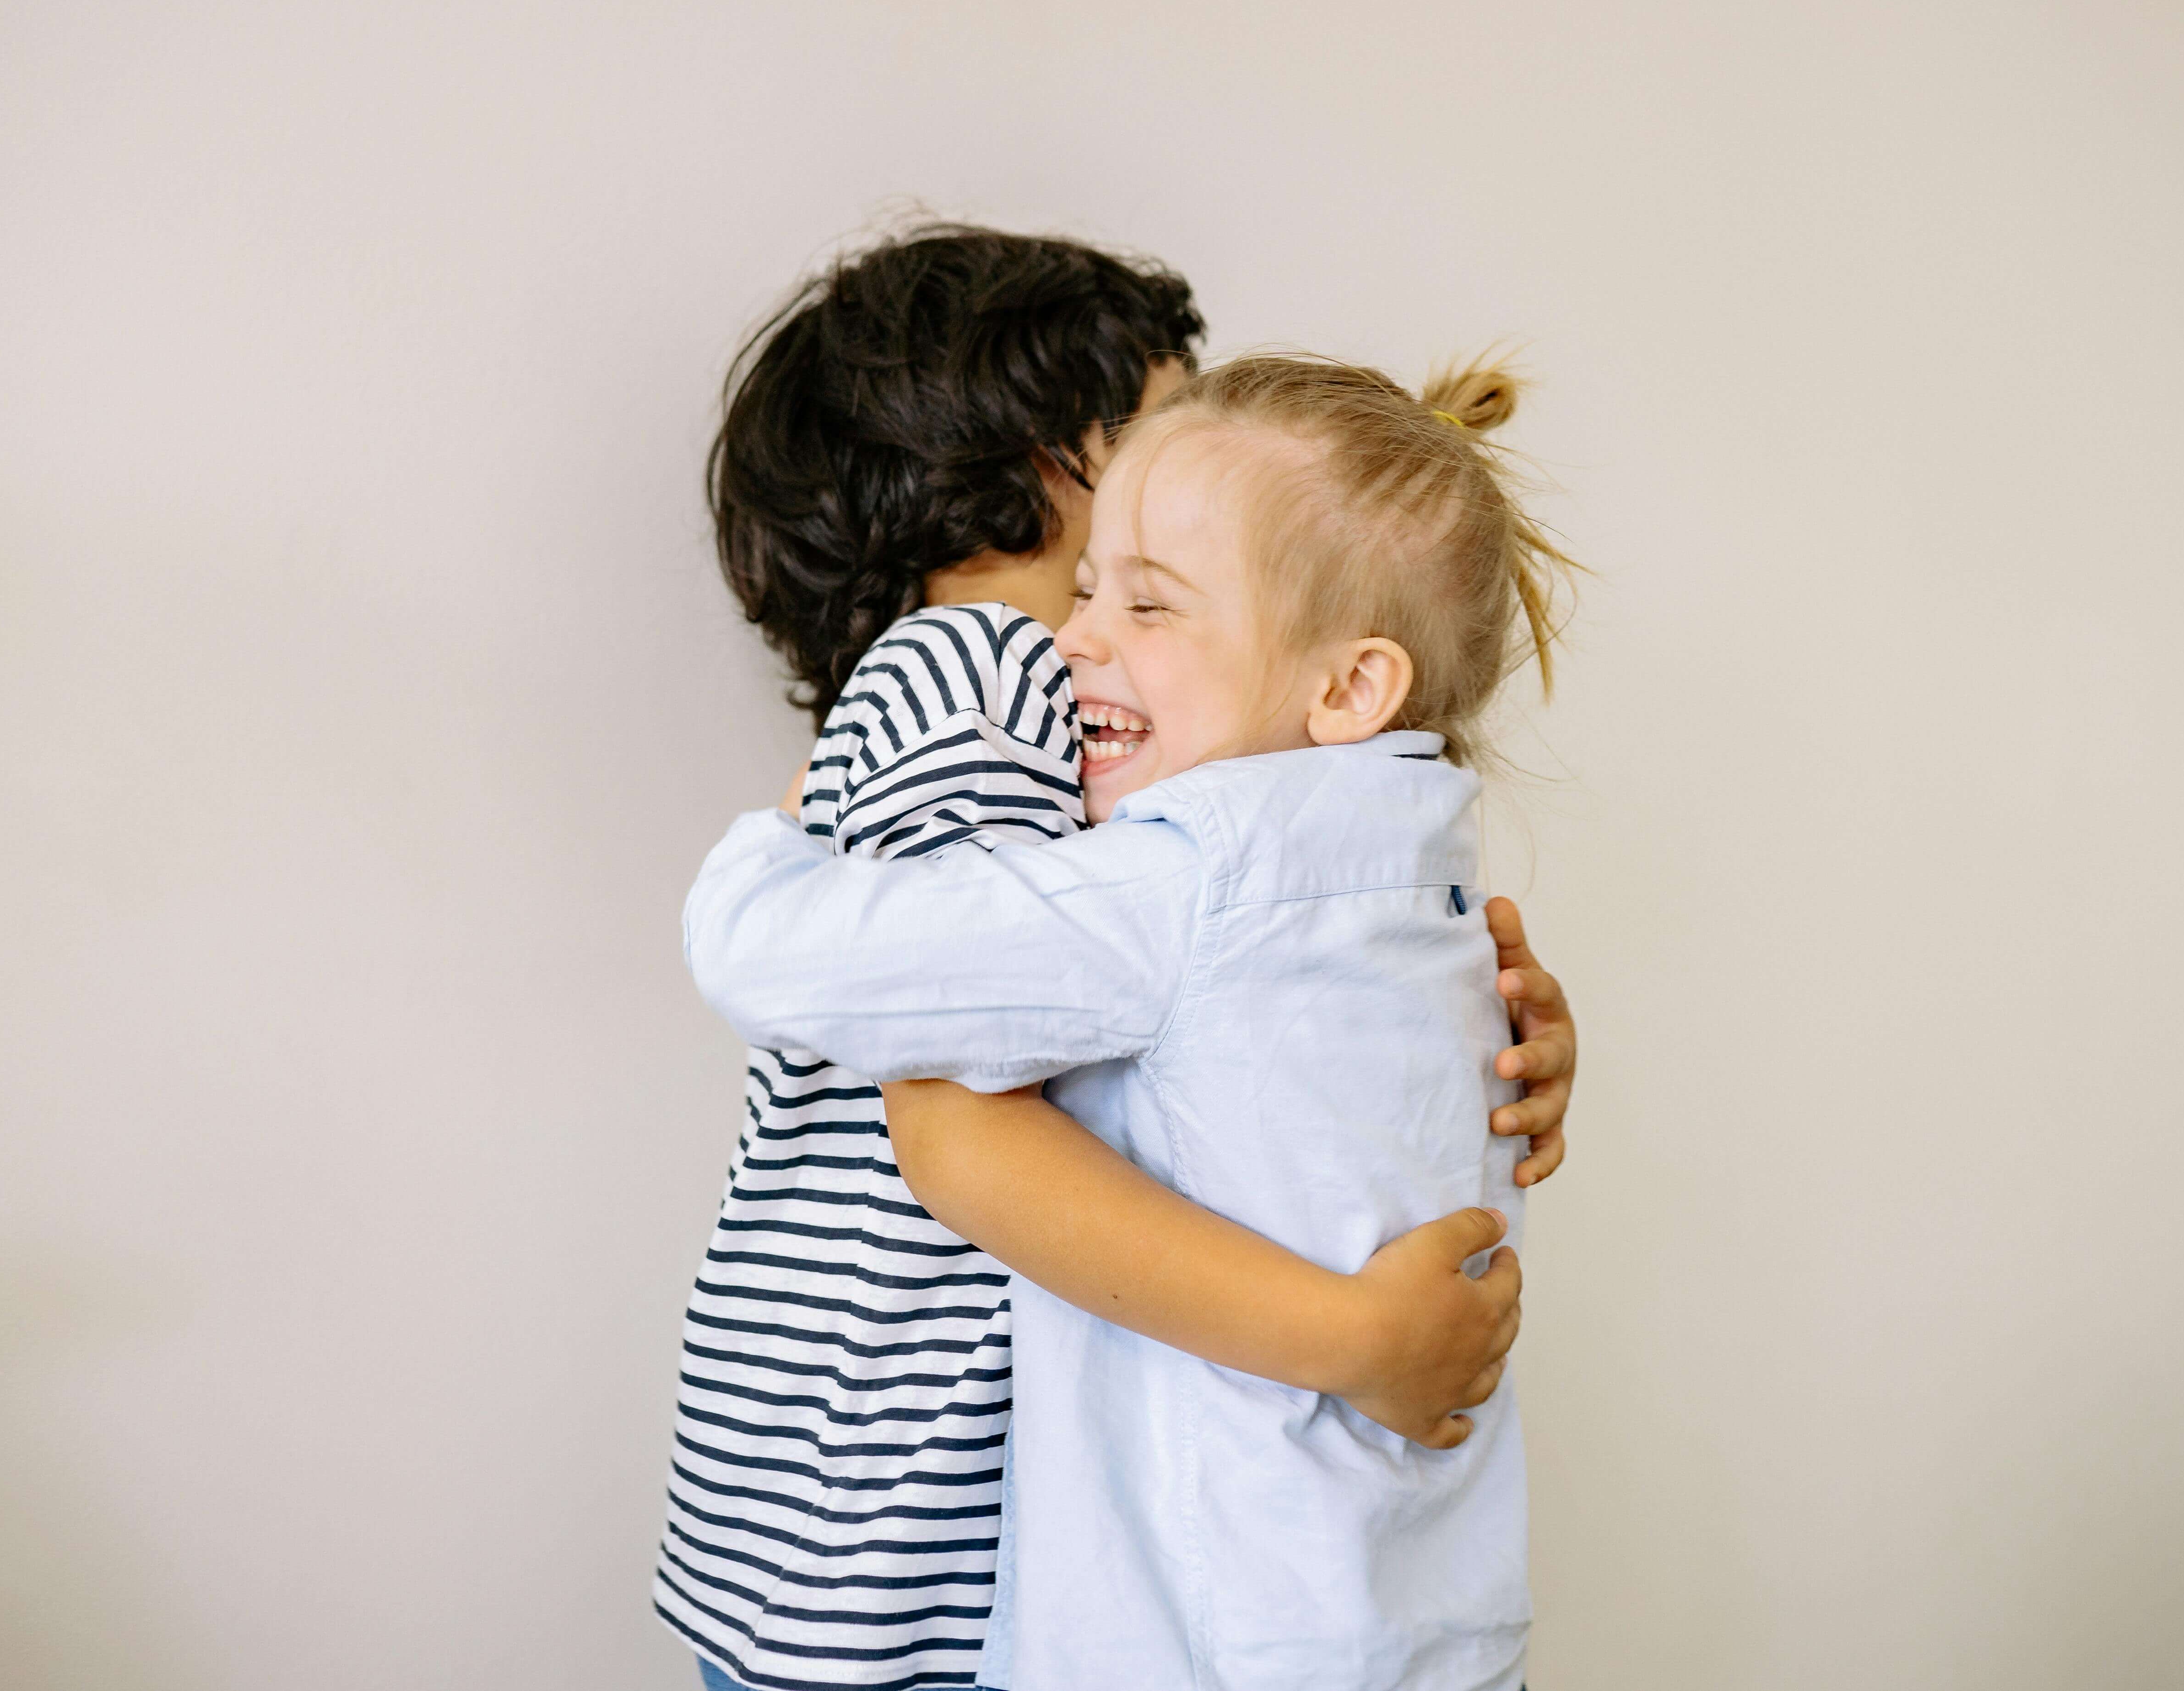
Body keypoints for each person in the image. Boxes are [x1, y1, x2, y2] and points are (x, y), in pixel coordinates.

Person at [658, 230, 1578, 1691]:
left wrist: (1482, 1025)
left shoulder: (1182, 761)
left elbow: (1230, 996)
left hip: (912, 1524)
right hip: (892, 1546)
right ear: (1042, 464)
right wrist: (1352, 1335)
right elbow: (951, 1115)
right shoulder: (986, 670)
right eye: (1163, 425)